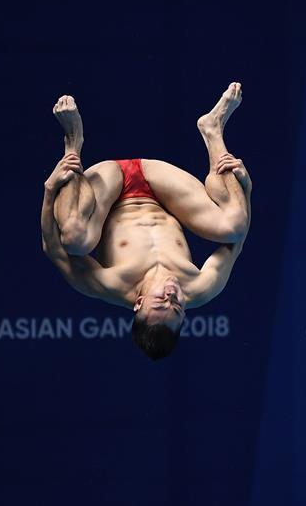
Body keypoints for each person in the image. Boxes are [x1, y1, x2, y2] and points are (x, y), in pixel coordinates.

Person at [40, 83, 252, 359]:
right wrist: (246, 189)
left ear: (138, 304)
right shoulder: (201, 287)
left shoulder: (109, 285)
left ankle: (73, 144)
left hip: (108, 187)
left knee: (75, 240)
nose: (172, 297)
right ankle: (213, 130)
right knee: (233, 226)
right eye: (178, 308)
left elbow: (53, 249)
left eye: (162, 303)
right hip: (161, 185)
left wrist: (49, 189)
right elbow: (238, 241)